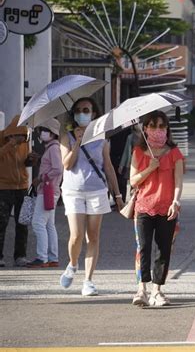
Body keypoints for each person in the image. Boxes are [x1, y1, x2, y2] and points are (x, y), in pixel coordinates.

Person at [59, 97, 124, 296]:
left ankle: (88, 281)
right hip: (73, 191)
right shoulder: (66, 136)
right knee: (76, 235)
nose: (82, 113)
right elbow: (67, 164)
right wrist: (78, 141)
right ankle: (72, 264)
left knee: (93, 236)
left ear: (93, 113)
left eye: (86, 110)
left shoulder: (101, 137)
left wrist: (118, 195)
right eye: (78, 110)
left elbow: (108, 166)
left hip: (97, 190)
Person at [129, 110, 184, 307]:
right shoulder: (138, 152)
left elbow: (178, 182)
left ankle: (157, 291)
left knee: (164, 250)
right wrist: (150, 168)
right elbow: (133, 181)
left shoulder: (175, 153)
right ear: (145, 129)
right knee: (143, 248)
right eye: (153, 126)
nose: (158, 130)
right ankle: (141, 289)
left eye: (162, 126)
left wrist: (175, 202)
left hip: (167, 208)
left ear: (167, 129)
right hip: (143, 208)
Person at [0, 115, 39, 267]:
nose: (22, 139)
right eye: (19, 136)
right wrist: (10, 145)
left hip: (22, 186)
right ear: (11, 133)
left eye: (24, 136)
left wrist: (31, 160)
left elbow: (24, 163)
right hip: (3, 188)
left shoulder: (25, 142)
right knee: (1, 223)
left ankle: (20, 256)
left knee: (22, 222)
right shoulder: (2, 138)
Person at [27, 118, 63, 268]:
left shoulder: (53, 148)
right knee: (49, 225)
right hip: (51, 190)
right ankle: (52, 257)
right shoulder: (52, 148)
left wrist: (41, 178)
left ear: (53, 133)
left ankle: (42, 257)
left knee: (38, 223)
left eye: (45, 130)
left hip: (47, 189)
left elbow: (58, 169)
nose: (42, 133)